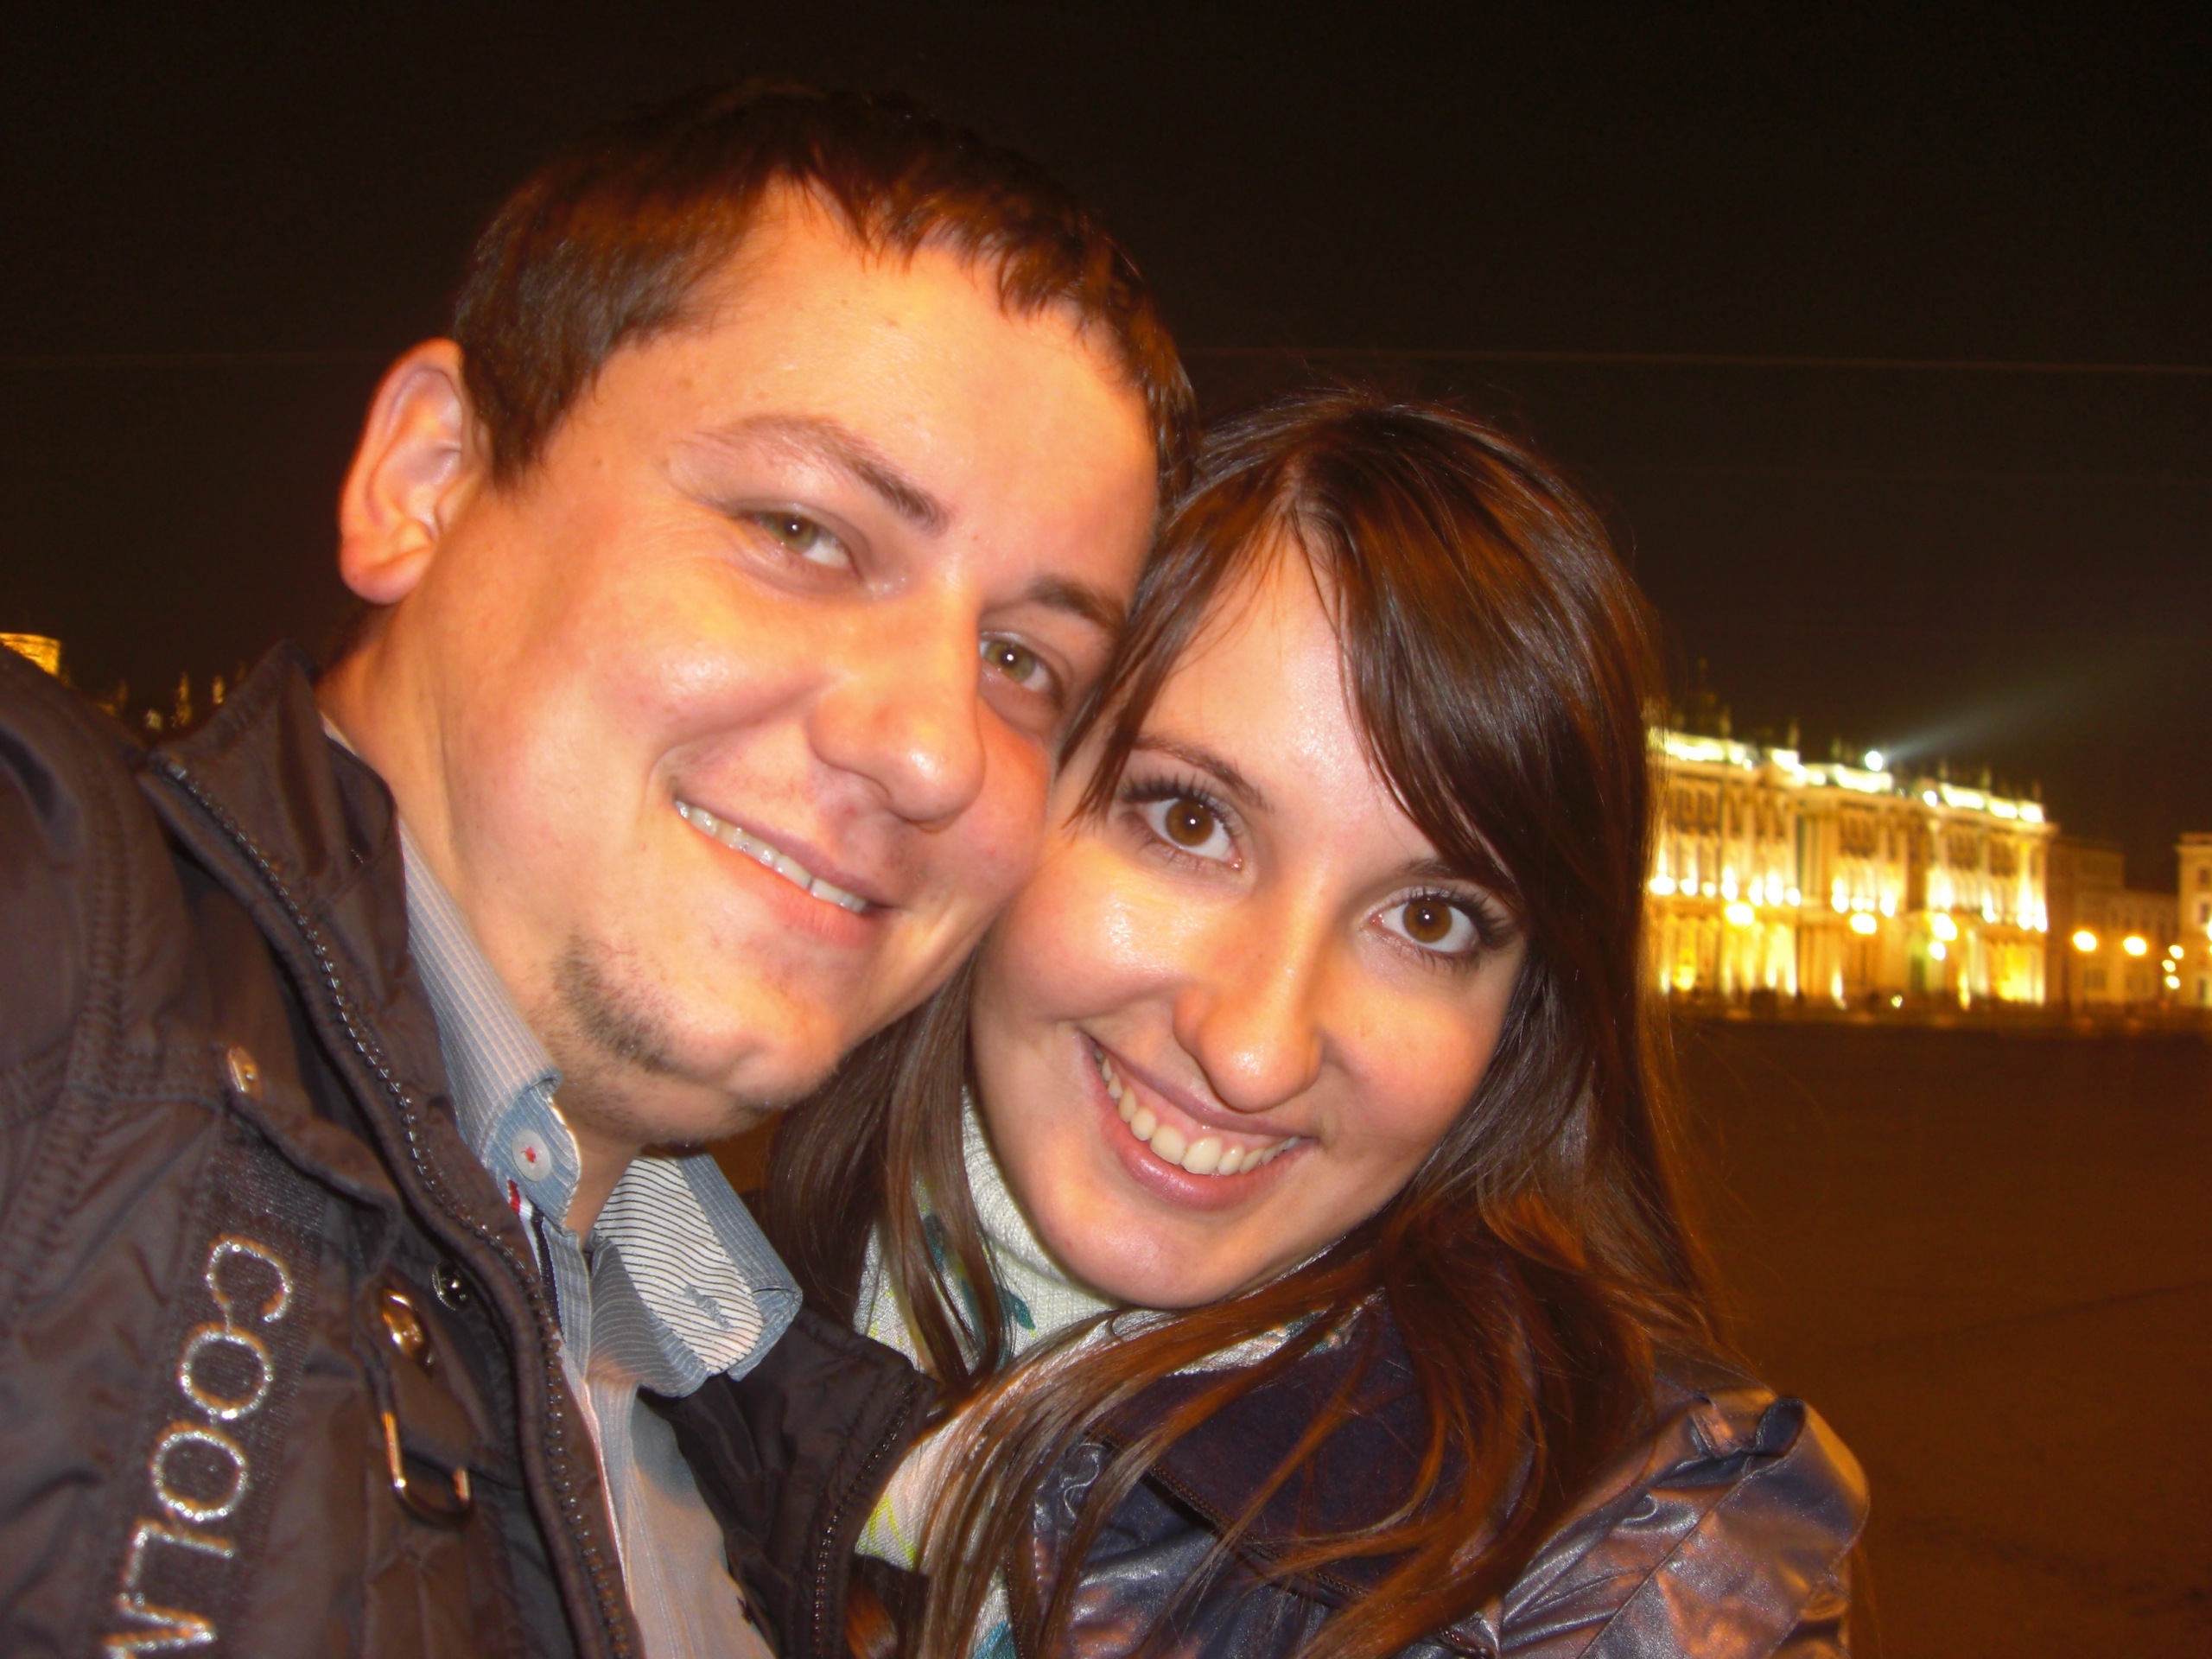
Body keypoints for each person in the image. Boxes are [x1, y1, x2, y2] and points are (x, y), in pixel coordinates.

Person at [0, 84, 1184, 1659]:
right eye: (803, 530)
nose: (934, 750)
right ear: (429, 479)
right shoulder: (58, 963)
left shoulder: (761, 1440)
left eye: (1025, 661)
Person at [663, 391, 1868, 1659]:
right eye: (1191, 822)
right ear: (1013, 785)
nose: (1252, 1053)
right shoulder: (659, 1318)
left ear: (1523, 1023)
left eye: (1429, 920)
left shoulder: (1637, 1570)